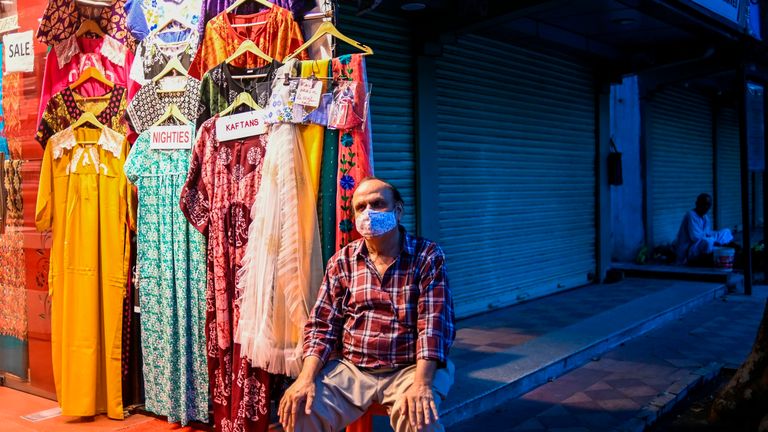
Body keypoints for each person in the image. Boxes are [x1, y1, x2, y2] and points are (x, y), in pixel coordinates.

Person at [278, 177, 456, 432]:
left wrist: (422, 383)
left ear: (398, 210)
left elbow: (433, 325)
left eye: (377, 204)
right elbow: (322, 326)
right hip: (353, 370)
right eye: (361, 207)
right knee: (300, 412)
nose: (368, 213)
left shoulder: (427, 256)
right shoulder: (342, 261)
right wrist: (305, 379)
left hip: (409, 368)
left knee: (420, 422)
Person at [675, 193, 735, 266]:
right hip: (689, 249)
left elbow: (707, 233)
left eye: (708, 205)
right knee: (708, 242)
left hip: (703, 244)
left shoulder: (705, 217)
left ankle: (719, 248)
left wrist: (715, 236)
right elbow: (695, 237)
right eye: (704, 204)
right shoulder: (691, 215)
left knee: (726, 231)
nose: (706, 207)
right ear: (697, 204)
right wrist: (713, 240)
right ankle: (717, 249)